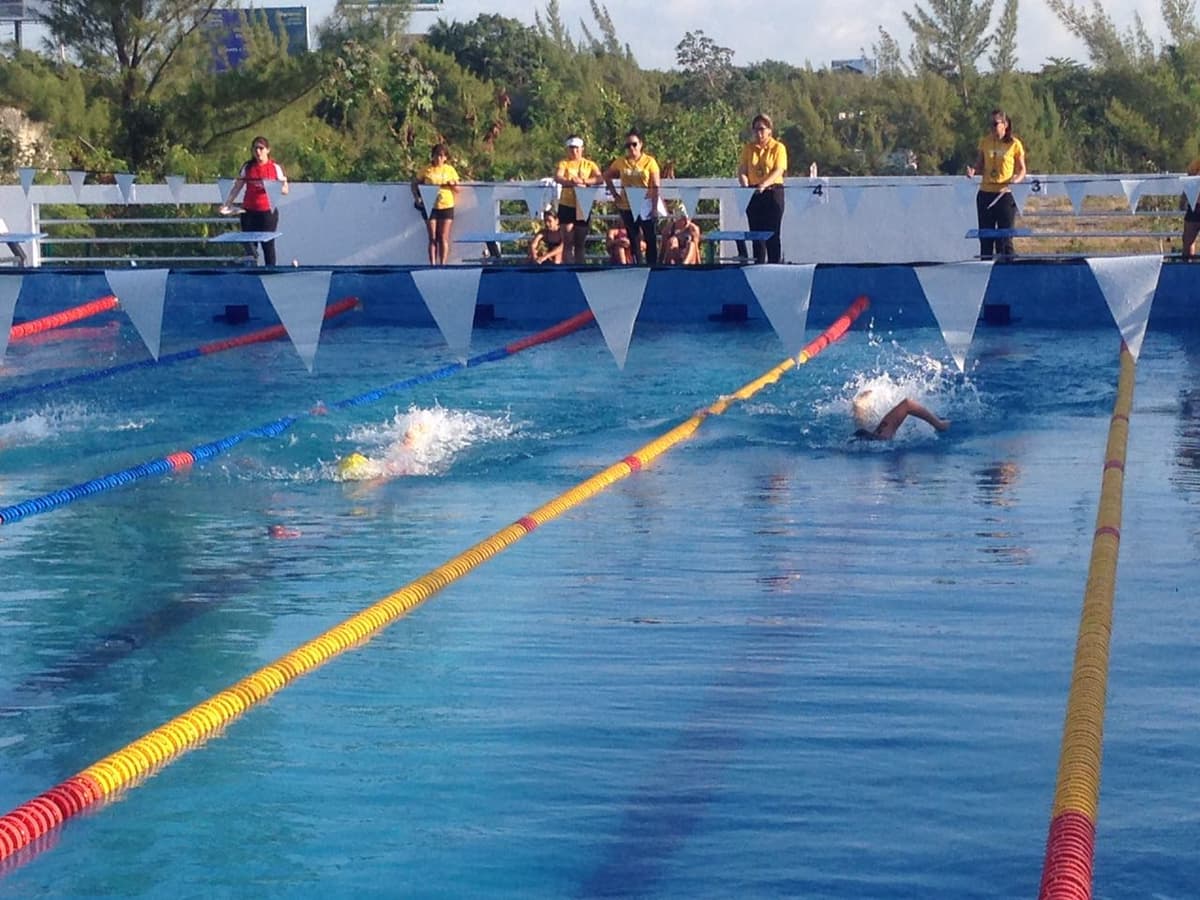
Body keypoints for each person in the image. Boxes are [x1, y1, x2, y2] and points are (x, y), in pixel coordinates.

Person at [966, 109, 1027, 260]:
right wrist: (973, 170)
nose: (992, 128)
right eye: (990, 125)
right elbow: (979, 164)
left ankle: (1007, 270)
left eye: (995, 124)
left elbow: (1022, 169)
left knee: (1005, 239)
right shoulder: (985, 142)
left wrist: (1016, 180)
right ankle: (985, 269)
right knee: (986, 237)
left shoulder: (1014, 144)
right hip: (986, 193)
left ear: (1005, 124)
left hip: (1004, 194)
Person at [221, 136, 288, 266]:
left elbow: (285, 190)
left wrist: (275, 186)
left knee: (268, 245)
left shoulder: (275, 168)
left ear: (268, 150)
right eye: (255, 148)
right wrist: (227, 204)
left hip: (267, 212)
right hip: (249, 211)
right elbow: (237, 187)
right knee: (250, 247)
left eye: (261, 148)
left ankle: (270, 273)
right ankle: (251, 273)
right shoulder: (248, 167)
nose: (258, 152)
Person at [603, 129, 662, 265]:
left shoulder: (649, 161)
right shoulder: (621, 162)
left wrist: (654, 207)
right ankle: (637, 264)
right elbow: (606, 175)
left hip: (645, 203)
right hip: (627, 204)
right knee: (633, 236)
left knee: (649, 236)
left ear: (641, 144)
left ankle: (652, 265)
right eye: (628, 145)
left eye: (634, 144)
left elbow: (656, 185)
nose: (631, 148)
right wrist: (614, 194)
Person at [737, 113, 788, 264]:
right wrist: (744, 183)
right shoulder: (749, 148)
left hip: (773, 193)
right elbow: (742, 170)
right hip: (753, 193)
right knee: (756, 234)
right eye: (755, 130)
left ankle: (774, 265)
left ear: (769, 130)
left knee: (772, 233)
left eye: (761, 129)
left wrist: (764, 185)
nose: (758, 133)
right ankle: (758, 265)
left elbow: (779, 170)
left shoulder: (778, 148)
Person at [554, 136, 604, 264]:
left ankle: (580, 268)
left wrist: (584, 181)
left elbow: (599, 178)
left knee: (580, 242)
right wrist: (570, 182)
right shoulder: (564, 163)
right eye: (571, 148)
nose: (574, 151)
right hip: (567, 203)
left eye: (576, 148)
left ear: (582, 149)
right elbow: (558, 177)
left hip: (583, 203)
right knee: (567, 241)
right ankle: (569, 269)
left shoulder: (589, 164)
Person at [411, 143, 461, 266]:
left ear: (445, 158)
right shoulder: (426, 169)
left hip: (446, 204)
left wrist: (452, 184)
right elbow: (414, 184)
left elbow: (458, 189)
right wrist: (417, 198)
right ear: (432, 156)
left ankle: (443, 264)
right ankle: (432, 264)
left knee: (443, 236)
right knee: (432, 237)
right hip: (430, 204)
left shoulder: (450, 170)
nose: (438, 158)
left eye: (441, 156)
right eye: (436, 155)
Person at [852, 390, 950, 440]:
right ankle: (859, 405)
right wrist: (939, 425)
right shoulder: (882, 438)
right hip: (875, 437)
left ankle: (860, 404)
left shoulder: (879, 437)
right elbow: (907, 404)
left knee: (864, 428)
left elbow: (907, 404)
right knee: (865, 428)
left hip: (871, 437)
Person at [1180, 154, 1200, 260]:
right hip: (1194, 206)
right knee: (1188, 240)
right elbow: (1188, 183)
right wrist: (1183, 200)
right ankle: (1188, 266)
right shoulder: (1195, 165)